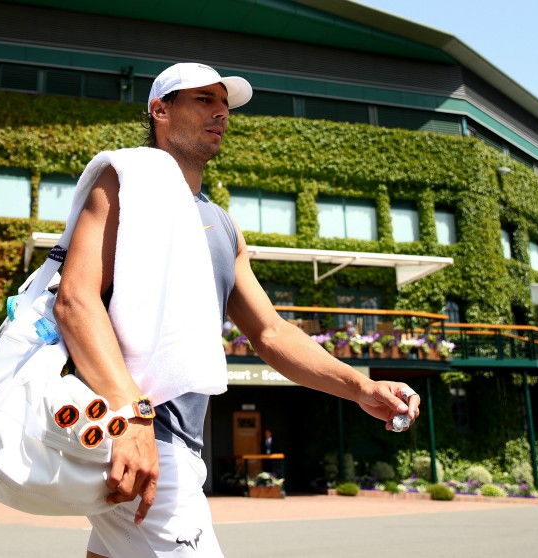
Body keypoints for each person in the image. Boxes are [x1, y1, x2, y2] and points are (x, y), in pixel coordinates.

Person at [53, 62, 421, 558]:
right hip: (141, 436)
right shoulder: (124, 184)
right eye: (203, 99)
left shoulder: (222, 226)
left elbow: (269, 331)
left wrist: (361, 387)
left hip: (170, 445)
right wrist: (132, 416)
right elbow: (74, 301)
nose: (221, 111)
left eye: (223, 103)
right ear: (160, 110)